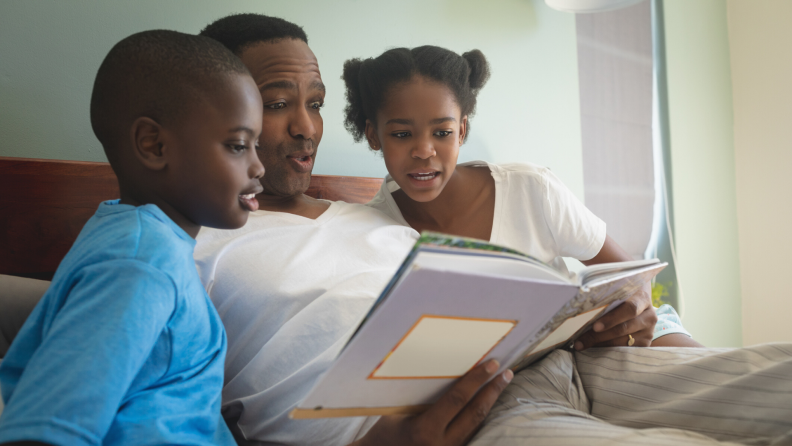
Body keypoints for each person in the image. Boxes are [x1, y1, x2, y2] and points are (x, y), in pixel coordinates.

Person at [196, 14, 512, 446]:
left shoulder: (380, 219)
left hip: (509, 389)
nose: (306, 128)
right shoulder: (192, 247)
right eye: (277, 104)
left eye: (315, 104)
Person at [0, 30, 266, 445]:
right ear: (153, 144)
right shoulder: (140, 265)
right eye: (237, 145)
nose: (258, 167)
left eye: (256, 145)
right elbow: (48, 430)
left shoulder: (129, 235)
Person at [342, 45, 702, 349]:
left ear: (462, 129)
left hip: (609, 340)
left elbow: (631, 277)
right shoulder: (372, 234)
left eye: (442, 131)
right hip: (527, 375)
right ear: (373, 135)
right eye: (402, 134)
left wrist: (636, 302)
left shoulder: (531, 189)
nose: (424, 150)